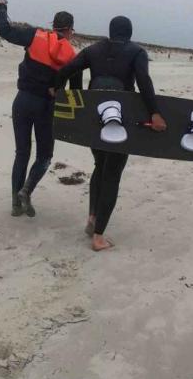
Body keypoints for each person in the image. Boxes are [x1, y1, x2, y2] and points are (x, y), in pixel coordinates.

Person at [51, 16, 167, 251]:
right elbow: (144, 82)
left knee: (100, 166)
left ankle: (92, 218)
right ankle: (99, 237)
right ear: (130, 33)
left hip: (95, 119)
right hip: (120, 120)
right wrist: (154, 113)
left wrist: (58, 90)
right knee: (112, 173)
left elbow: (67, 69)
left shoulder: (92, 50)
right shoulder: (136, 52)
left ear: (111, 31)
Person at [0, 0, 82, 217]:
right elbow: (75, 91)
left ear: (53, 26)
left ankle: (16, 203)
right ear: (70, 30)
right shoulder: (72, 56)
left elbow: (3, 30)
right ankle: (27, 189)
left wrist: (2, 7)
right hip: (47, 107)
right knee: (44, 156)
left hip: (23, 101)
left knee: (22, 152)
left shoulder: (34, 35)